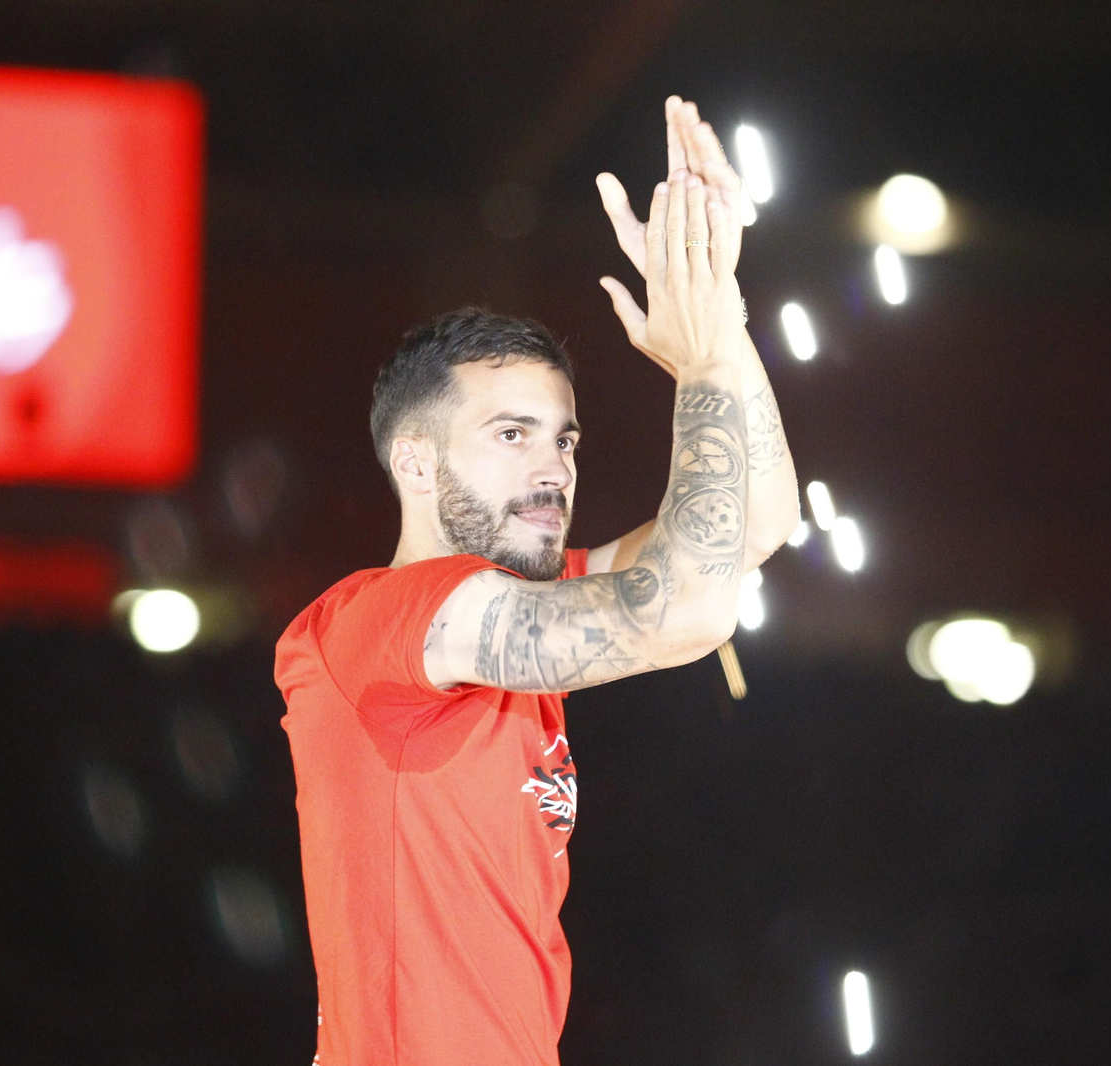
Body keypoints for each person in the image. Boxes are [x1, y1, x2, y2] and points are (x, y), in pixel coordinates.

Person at [274, 97, 800, 1066]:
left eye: (562, 438)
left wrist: (721, 314)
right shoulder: (381, 622)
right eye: (510, 435)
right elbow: (689, 604)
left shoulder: (524, 603)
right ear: (418, 464)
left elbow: (751, 529)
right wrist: (705, 358)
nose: (553, 466)